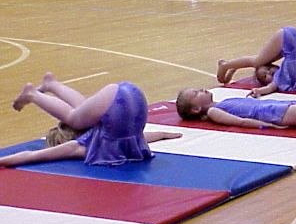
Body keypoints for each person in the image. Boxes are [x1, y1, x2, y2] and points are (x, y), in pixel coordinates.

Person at [0, 72, 181, 168]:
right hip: (124, 95)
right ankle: (45, 88)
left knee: (76, 116)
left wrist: (164, 134)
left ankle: (40, 91)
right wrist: (164, 134)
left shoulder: (89, 146)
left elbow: (32, 156)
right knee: (76, 115)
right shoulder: (89, 146)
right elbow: (31, 156)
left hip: (135, 101)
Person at [216, 26, 296, 98]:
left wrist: (257, 91)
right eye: (267, 73)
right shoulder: (283, 77)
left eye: (266, 72)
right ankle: (228, 65)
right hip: (292, 39)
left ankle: (229, 65)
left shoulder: (280, 79)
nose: (269, 72)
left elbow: (268, 88)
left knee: (258, 62)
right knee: (258, 61)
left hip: (290, 38)